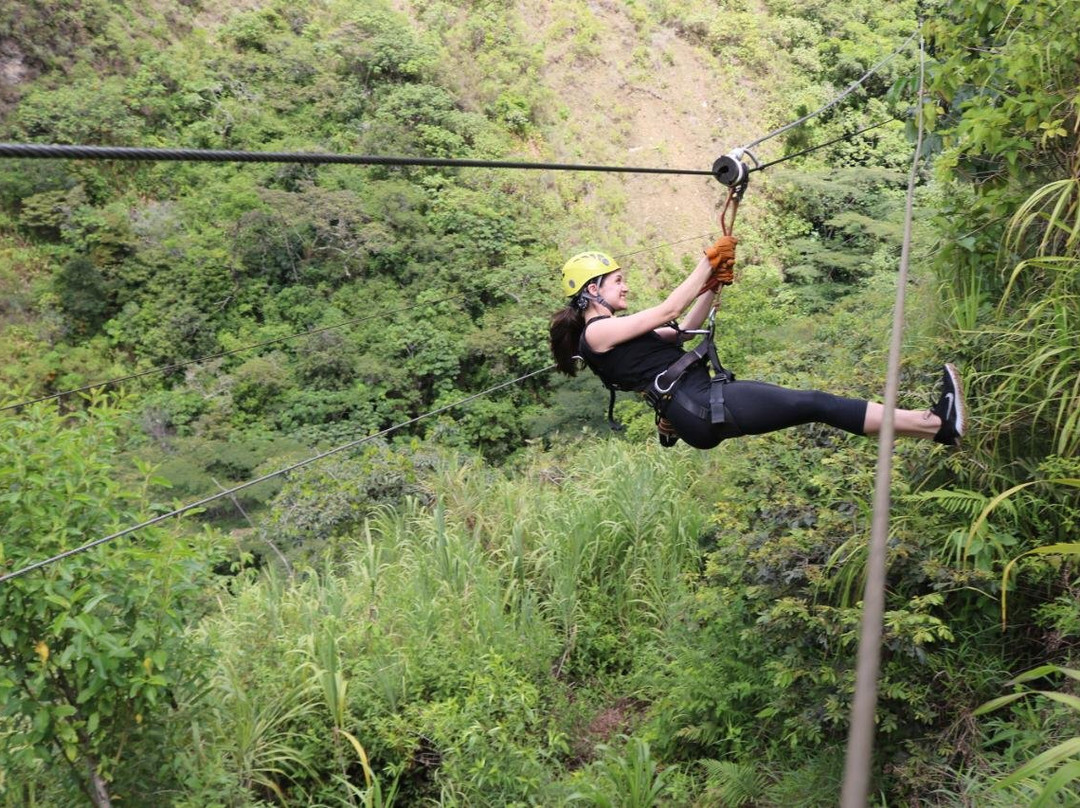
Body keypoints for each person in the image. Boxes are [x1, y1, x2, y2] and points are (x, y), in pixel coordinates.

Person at [548, 240, 966, 450]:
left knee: (814, 404)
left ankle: (932, 424)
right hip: (698, 405)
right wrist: (706, 262)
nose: (626, 286)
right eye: (617, 281)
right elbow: (666, 309)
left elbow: (682, 330)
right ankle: (935, 425)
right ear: (591, 291)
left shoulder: (616, 333)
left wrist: (712, 285)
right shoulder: (597, 333)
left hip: (698, 404)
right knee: (815, 402)